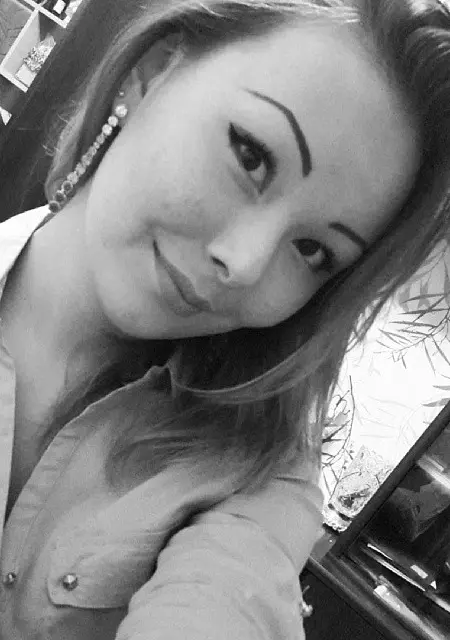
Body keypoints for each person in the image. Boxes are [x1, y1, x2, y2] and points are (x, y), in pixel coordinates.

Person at [0, 0, 449, 637]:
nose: (244, 262)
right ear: (153, 72)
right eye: (251, 155)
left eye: (312, 251)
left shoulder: (257, 473)